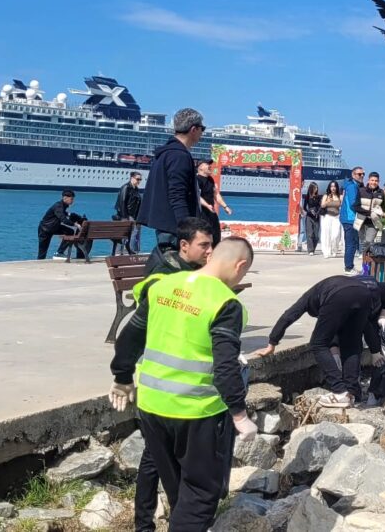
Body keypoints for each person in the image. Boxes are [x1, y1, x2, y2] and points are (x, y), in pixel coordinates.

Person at [109, 238, 257, 532]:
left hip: (152, 407)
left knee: (178, 489)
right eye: (244, 272)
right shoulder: (226, 302)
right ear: (240, 266)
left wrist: (122, 377)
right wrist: (239, 415)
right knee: (202, 495)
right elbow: (225, 366)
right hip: (197, 412)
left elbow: (130, 336)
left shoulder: (163, 285)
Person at [132, 216, 213, 532]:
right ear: (184, 245)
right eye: (204, 245)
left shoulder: (188, 271)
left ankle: (163, 520)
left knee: (156, 458)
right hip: (162, 387)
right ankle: (154, 522)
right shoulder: (165, 275)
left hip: (172, 387)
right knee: (155, 459)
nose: (210, 252)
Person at [257, 275, 385, 408]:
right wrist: (375, 350)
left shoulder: (310, 297)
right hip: (365, 295)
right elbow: (365, 326)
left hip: (340, 295)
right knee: (351, 345)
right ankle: (353, 394)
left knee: (318, 343)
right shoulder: (325, 290)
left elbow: (289, 315)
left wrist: (272, 342)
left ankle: (340, 391)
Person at [138, 108, 205, 251]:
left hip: (166, 225)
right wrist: (187, 230)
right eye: (202, 128)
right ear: (193, 129)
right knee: (177, 269)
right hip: (174, 229)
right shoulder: (179, 156)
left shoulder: (166, 153)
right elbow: (177, 195)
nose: (202, 133)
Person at [37, 189, 82, 260]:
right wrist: (75, 225)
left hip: (54, 227)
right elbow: (63, 219)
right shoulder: (58, 206)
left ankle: (60, 252)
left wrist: (72, 216)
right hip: (45, 229)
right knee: (42, 253)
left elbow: (63, 214)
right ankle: (39, 266)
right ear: (65, 198)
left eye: (73, 199)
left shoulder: (63, 206)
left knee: (70, 231)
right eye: (71, 199)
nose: (72, 201)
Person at [196, 159, 231, 245]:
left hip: (211, 211)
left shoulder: (210, 179)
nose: (210, 166)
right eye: (207, 164)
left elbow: (216, 194)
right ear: (200, 167)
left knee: (216, 234)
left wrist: (225, 206)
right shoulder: (196, 180)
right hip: (201, 213)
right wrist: (207, 205)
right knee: (204, 235)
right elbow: (197, 196)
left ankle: (214, 252)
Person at [353, 171, 384, 257]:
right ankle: (365, 257)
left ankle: (366, 258)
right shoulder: (361, 191)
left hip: (374, 222)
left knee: (369, 241)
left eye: (376, 180)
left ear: (379, 181)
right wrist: (369, 213)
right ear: (368, 180)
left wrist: (380, 215)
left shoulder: (381, 193)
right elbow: (355, 206)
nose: (374, 182)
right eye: (372, 180)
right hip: (361, 221)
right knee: (363, 240)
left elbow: (384, 208)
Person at [340, 167, 364, 274]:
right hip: (350, 219)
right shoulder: (352, 187)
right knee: (351, 244)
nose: (362, 176)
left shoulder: (353, 185)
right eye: (359, 174)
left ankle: (350, 266)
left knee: (352, 243)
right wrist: (365, 211)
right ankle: (348, 267)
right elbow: (353, 203)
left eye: (363, 174)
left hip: (349, 218)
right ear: (353, 175)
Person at [115, 172, 144, 254]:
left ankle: (132, 250)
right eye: (137, 179)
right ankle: (128, 251)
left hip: (134, 216)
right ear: (132, 178)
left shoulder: (136, 189)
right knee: (131, 233)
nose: (139, 181)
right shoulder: (126, 187)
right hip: (127, 215)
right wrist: (125, 217)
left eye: (140, 179)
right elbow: (122, 202)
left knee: (135, 232)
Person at [320, 180, 343, 258]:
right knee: (326, 235)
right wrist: (327, 202)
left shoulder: (339, 196)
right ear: (329, 187)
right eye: (331, 186)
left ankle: (334, 249)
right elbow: (322, 205)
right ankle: (326, 251)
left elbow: (342, 205)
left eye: (334, 186)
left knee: (336, 235)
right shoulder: (326, 196)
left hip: (336, 217)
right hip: (327, 217)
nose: (333, 188)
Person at [300, 182, 322, 254]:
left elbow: (320, 206)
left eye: (317, 188)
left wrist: (317, 213)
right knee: (310, 233)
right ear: (311, 188)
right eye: (315, 188)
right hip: (309, 216)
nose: (316, 189)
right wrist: (309, 211)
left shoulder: (319, 197)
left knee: (316, 235)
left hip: (316, 216)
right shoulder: (307, 197)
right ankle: (310, 250)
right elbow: (304, 207)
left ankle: (313, 248)